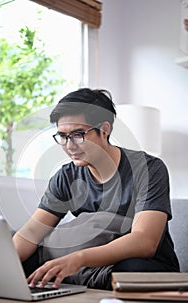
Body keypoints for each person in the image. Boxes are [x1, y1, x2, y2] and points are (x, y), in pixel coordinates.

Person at [13, 88, 179, 290]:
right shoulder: (66, 176)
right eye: (63, 136)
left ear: (104, 130)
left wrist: (78, 258)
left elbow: (145, 241)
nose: (69, 145)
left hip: (144, 265)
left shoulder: (149, 168)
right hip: (90, 266)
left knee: (128, 270)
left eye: (78, 134)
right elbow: (32, 231)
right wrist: (2, 262)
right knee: (24, 262)